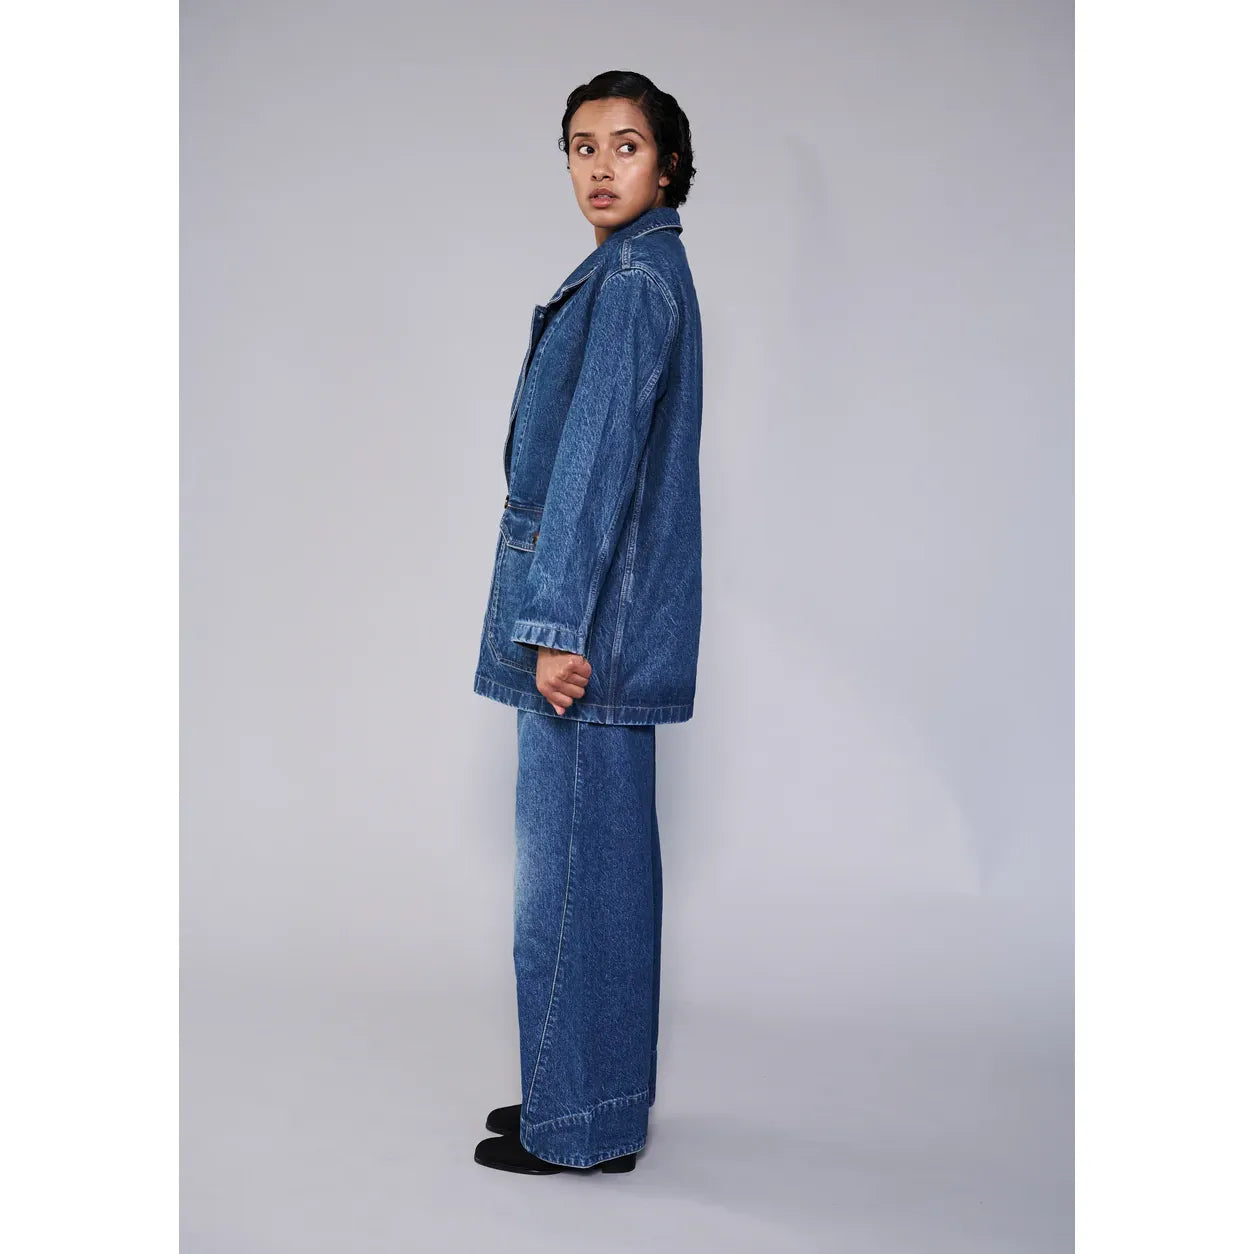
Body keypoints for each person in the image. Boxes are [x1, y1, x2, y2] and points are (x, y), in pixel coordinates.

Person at [471, 69, 702, 1175]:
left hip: (585, 631)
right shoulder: (636, 270)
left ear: (668, 163)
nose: (601, 167)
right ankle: (585, 1101)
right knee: (595, 874)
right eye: (582, 146)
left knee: (567, 885)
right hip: (605, 618)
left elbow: (596, 465)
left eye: (625, 145)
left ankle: (579, 1126)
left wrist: (556, 625)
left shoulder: (635, 282)